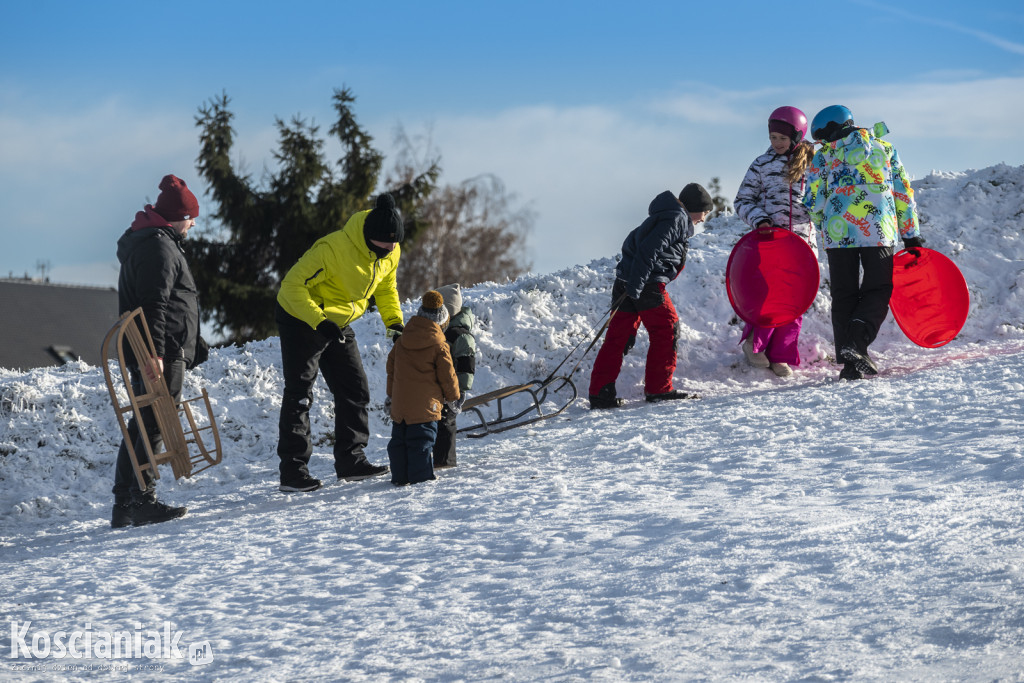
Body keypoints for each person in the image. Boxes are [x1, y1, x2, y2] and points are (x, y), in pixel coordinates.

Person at [275, 193, 405, 492]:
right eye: (386, 245)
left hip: (339, 321)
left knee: (355, 389)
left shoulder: (390, 252)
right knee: (299, 394)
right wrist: (320, 322)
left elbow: (386, 288)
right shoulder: (332, 249)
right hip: (300, 316)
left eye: (395, 244)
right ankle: (293, 473)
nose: (391, 250)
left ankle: (351, 461)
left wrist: (394, 323)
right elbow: (291, 286)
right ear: (369, 238)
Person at [111, 174, 207, 528]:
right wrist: (158, 354)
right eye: (191, 216)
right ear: (177, 216)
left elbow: (171, 302)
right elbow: (156, 304)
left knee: (142, 421)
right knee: (154, 421)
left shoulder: (150, 242)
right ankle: (143, 499)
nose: (193, 223)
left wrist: (196, 342)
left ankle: (125, 502)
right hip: (159, 350)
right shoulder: (159, 246)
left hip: (159, 347)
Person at [803, 105, 922, 380]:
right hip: (878, 231)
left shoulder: (823, 157)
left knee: (843, 294)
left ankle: (850, 363)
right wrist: (910, 234)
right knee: (878, 288)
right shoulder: (885, 149)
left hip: (838, 233)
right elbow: (903, 192)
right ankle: (858, 341)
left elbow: (812, 199)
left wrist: (823, 222)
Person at [588, 183, 713, 408]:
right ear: (694, 207)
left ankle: (600, 393)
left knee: (619, 337)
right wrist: (637, 286)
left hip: (628, 280)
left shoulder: (667, 215)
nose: (703, 218)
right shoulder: (676, 218)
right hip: (645, 284)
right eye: (704, 212)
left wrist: (631, 284)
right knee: (667, 329)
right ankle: (659, 388)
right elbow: (649, 250)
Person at [733, 106, 818, 378]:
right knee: (770, 295)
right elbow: (742, 200)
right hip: (771, 241)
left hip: (803, 244)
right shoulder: (762, 164)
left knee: (795, 300)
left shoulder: (814, 164)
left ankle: (780, 354)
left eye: (782, 138)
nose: (777, 143)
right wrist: (761, 220)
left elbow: (824, 200)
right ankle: (754, 344)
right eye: (772, 138)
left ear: (797, 136)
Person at [385, 290, 461, 485]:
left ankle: (400, 477)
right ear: (441, 322)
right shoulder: (439, 345)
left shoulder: (402, 340)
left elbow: (391, 369)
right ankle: (421, 480)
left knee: (399, 442)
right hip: (425, 408)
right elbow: (448, 376)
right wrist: (453, 399)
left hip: (400, 406)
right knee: (421, 442)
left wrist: (390, 396)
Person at [433, 283, 475, 469]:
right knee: (437, 421)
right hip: (438, 385)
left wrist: (461, 391)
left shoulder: (460, 335)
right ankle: (436, 458)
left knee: (446, 421)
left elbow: (467, 366)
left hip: (451, 388)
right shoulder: (442, 330)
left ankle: (445, 461)